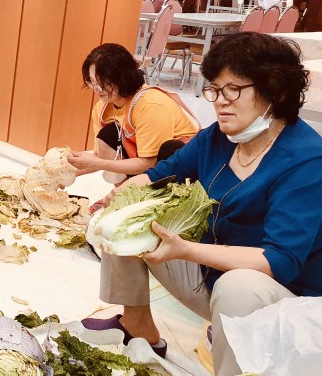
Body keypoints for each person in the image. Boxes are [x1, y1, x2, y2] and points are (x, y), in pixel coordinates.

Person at [81, 33, 322, 376]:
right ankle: (138, 328)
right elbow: (160, 174)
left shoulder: (306, 161)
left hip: (279, 301)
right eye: (215, 90)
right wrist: (120, 196)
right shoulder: (219, 137)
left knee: (238, 287)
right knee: (123, 222)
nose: (220, 101)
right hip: (210, 274)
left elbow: (277, 261)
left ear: (276, 91)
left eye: (233, 90)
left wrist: (184, 250)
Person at [67, 43, 200, 184]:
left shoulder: (150, 105)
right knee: (108, 134)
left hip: (179, 164)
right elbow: (98, 157)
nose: (97, 89)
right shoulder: (102, 107)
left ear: (123, 78)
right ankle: (123, 194)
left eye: (104, 83)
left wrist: (97, 163)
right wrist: (63, 176)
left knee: (170, 149)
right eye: (92, 82)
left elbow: (148, 164)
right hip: (144, 160)